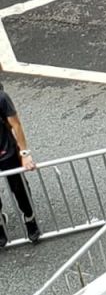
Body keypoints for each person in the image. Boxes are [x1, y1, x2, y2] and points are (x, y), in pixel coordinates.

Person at [0, 84, 41, 247]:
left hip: (6, 151)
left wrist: (24, 154)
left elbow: (16, 124)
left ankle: (29, 218)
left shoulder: (2, 98)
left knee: (18, 188)